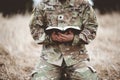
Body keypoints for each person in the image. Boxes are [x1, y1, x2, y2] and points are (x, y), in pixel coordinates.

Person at [29, 0, 99, 80]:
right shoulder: (43, 5)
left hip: (77, 57)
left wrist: (75, 38)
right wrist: (50, 38)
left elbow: (92, 27)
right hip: (50, 58)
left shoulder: (83, 4)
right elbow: (34, 28)